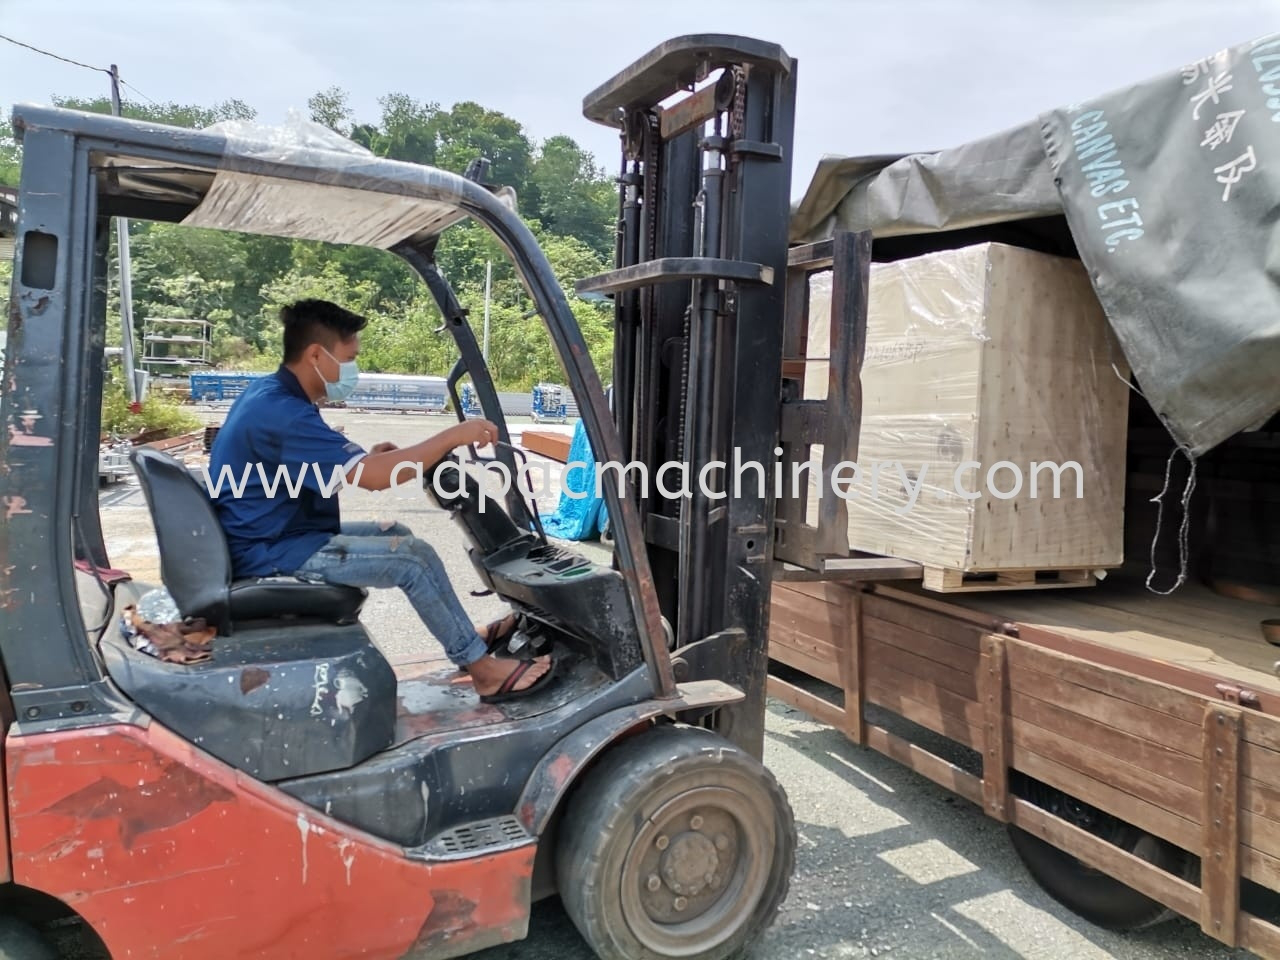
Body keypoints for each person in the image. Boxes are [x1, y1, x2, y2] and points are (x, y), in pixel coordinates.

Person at [207, 298, 551, 703]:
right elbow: (373, 478)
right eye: (349, 359)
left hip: (276, 535)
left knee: (398, 532)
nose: (353, 370)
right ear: (316, 355)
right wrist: (453, 436)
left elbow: (344, 467)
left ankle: (464, 638)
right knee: (413, 558)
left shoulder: (272, 395)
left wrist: (379, 458)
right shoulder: (283, 412)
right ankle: (484, 672)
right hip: (269, 551)